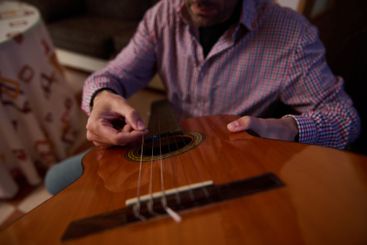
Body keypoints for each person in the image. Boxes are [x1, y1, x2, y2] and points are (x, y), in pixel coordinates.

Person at [45, 0, 360, 194]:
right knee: (55, 179)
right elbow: (110, 76)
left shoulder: (291, 34)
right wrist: (101, 98)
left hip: (237, 164)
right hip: (169, 147)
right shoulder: (161, 16)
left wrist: (286, 128)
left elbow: (344, 120)